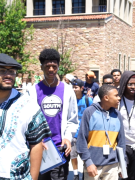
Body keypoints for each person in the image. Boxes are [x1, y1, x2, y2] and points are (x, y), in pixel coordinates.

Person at [31, 48, 78, 180]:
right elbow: (28, 121)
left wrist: (68, 138)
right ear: (42, 67)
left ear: (58, 66)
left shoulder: (67, 90)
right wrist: (36, 138)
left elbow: (72, 120)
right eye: (47, 66)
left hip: (60, 149)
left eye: (54, 66)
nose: (51, 69)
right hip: (41, 149)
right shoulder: (33, 91)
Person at [77, 85, 126, 180]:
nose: (119, 98)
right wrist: (88, 162)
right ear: (106, 97)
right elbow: (81, 140)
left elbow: (121, 141)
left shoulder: (117, 114)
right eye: (116, 95)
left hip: (112, 166)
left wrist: (122, 165)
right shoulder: (89, 112)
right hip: (93, 165)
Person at [118, 71, 135, 180]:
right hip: (120, 146)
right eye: (130, 84)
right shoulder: (117, 99)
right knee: (121, 176)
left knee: (133, 177)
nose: (133, 87)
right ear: (124, 83)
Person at [71, 79, 93, 180]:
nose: (74, 89)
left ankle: (85, 172)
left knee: (85, 154)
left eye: (76, 87)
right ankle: (76, 174)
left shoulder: (88, 100)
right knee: (73, 155)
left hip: (84, 133)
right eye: (73, 87)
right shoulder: (71, 100)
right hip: (73, 133)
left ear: (81, 88)